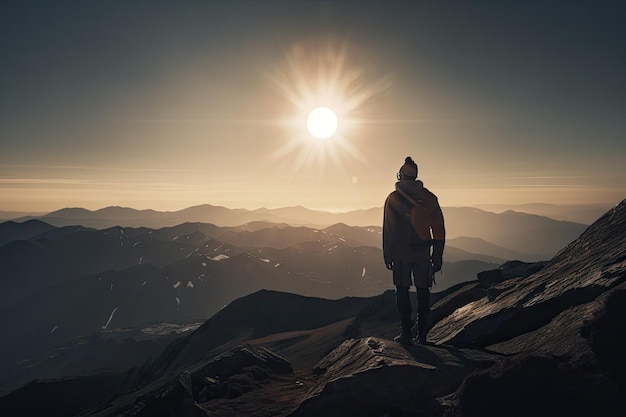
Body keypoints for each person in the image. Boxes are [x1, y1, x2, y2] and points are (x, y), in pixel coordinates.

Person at [383, 156, 445, 345]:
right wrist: (437, 255)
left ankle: (406, 333)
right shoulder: (429, 197)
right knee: (423, 290)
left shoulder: (393, 198)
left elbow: (388, 229)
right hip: (423, 252)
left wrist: (388, 254)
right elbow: (439, 229)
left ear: (401, 176)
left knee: (402, 289)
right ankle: (423, 334)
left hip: (401, 252)